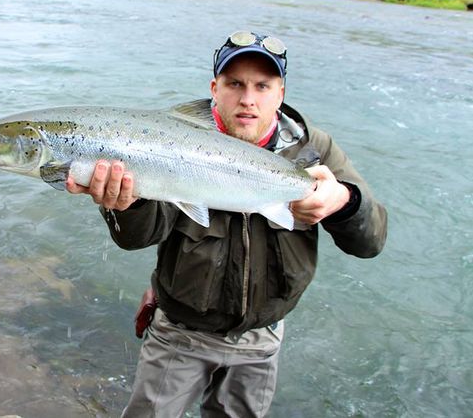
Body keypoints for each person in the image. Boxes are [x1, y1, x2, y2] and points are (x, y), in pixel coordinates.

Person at [66, 30, 388, 417]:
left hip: (262, 339)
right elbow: (140, 237)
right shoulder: (168, 138)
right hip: (179, 334)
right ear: (214, 88)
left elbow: (371, 242)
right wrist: (125, 205)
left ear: (280, 92)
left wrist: (343, 201)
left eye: (262, 86)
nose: (248, 99)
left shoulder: (313, 150)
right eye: (235, 84)